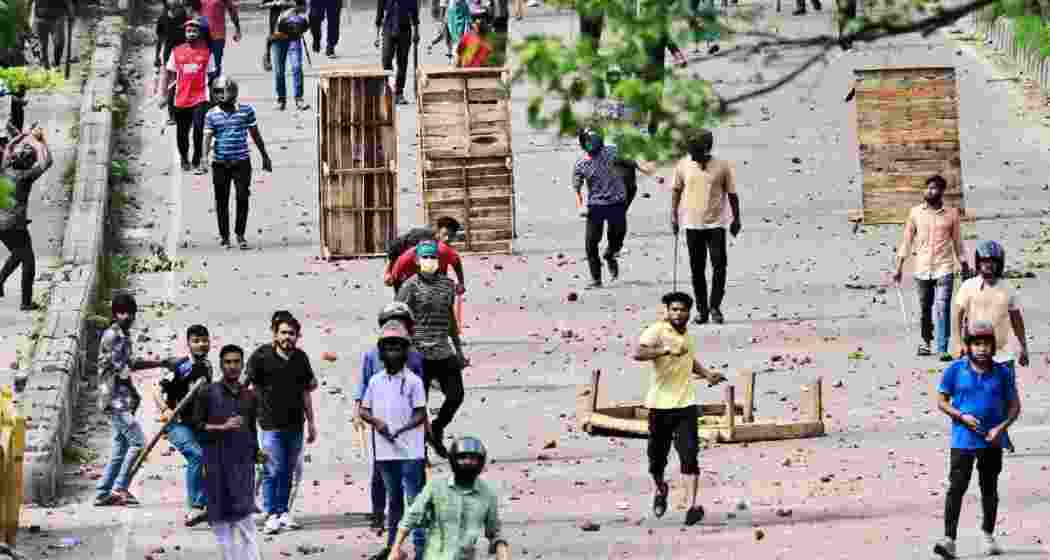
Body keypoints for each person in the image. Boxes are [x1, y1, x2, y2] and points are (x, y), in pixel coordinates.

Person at [633, 291, 726, 526]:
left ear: (689, 312)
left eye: (682, 310)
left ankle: (692, 505)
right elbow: (639, 352)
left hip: (686, 405)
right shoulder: (656, 330)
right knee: (656, 459)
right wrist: (665, 350)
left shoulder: (688, 335)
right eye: (674, 309)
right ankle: (661, 487)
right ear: (666, 310)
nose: (678, 313)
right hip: (659, 406)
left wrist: (707, 374)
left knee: (689, 455)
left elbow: (689, 360)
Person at [934, 321, 1020, 559]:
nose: (982, 348)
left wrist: (1000, 429)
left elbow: (1014, 406)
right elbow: (941, 401)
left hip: (991, 441)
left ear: (993, 346)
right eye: (977, 343)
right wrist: (961, 415)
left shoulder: (1002, 372)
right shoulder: (955, 370)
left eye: (986, 344)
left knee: (989, 488)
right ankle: (949, 539)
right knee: (956, 488)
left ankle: (988, 534)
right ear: (969, 346)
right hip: (962, 441)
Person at [360, 320, 428, 560]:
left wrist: (402, 428)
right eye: (388, 347)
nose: (393, 352)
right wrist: (377, 423)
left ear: (405, 350)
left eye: (397, 347)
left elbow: (421, 413)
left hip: (411, 452)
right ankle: (393, 549)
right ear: (381, 351)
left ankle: (422, 550)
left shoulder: (414, 382)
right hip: (386, 451)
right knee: (394, 501)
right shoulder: (375, 381)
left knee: (415, 502)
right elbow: (363, 410)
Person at [245, 313, 319, 535]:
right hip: (269, 425)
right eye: (284, 333)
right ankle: (271, 514)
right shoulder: (261, 357)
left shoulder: (301, 359)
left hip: (296, 424)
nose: (288, 337)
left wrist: (312, 422)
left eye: (292, 334)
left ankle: (283, 511)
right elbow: (247, 386)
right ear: (275, 334)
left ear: (298, 336)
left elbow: (307, 391)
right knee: (271, 470)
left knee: (287, 470)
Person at [397, 241, 467, 458]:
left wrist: (459, 350)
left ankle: (436, 428)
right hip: (418, 353)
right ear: (417, 261)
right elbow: (398, 317)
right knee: (420, 404)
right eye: (425, 257)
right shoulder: (409, 287)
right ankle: (421, 449)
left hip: (443, 350)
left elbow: (450, 319)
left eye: (433, 257)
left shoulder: (447, 285)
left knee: (456, 395)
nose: (430, 261)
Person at [95, 293, 166, 507]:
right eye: (122, 312)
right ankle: (120, 487)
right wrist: (133, 392)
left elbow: (131, 363)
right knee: (138, 442)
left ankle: (103, 492)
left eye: (130, 312)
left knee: (121, 446)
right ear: (115, 314)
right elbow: (122, 370)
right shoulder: (113, 336)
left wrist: (161, 363)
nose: (127, 316)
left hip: (121, 400)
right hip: (115, 401)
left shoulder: (123, 335)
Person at [193, 344, 262, 560]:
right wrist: (221, 428)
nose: (232, 366)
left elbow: (252, 429)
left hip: (242, 469)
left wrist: (258, 454)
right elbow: (196, 426)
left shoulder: (250, 396)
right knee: (222, 527)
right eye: (228, 362)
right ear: (221, 365)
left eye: (236, 362)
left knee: (246, 523)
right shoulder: (207, 393)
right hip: (216, 467)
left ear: (242, 365)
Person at [391, 436, 510, 560]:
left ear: (480, 462)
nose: (468, 462)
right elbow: (411, 517)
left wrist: (502, 550)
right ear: (454, 460)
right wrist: (395, 549)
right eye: (462, 458)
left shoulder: (487, 494)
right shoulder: (436, 486)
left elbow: (495, 531)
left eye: (473, 458)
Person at [671, 129, 741, 325]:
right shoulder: (683, 165)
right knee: (697, 269)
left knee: (719, 266)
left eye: (697, 151)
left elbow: (732, 195)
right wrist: (674, 216)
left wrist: (736, 219)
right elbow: (676, 191)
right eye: (692, 151)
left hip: (716, 224)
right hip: (692, 225)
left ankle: (715, 307)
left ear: (707, 149)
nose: (694, 155)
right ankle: (702, 311)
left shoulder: (721, 166)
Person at [894, 174, 969, 360]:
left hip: (944, 267)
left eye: (934, 188)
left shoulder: (952, 214)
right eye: (927, 187)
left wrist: (965, 263)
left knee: (943, 307)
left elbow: (958, 242)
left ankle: (943, 347)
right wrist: (899, 267)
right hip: (922, 268)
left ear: (942, 191)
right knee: (925, 308)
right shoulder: (915, 213)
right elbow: (906, 240)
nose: (929, 191)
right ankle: (926, 342)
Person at [153, 324, 214, 527]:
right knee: (196, 455)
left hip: (197, 424)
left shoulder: (207, 365)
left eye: (204, 340)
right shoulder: (181, 366)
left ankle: (207, 504)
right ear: (188, 343)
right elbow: (156, 391)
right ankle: (195, 507)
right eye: (196, 341)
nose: (201, 344)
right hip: (176, 424)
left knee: (211, 457)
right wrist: (165, 410)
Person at [203, 75, 272, 250]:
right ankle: (224, 236)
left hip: (241, 162)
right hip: (220, 163)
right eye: (216, 92)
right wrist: (204, 158)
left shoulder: (246, 111)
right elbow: (208, 137)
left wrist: (264, 155)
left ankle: (240, 234)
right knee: (221, 200)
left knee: (242, 196)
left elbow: (255, 134)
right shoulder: (211, 115)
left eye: (222, 91)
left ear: (232, 92)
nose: (219, 95)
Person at [952, 240, 1029, 371]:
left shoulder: (1008, 289)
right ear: (978, 263)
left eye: (993, 262)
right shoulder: (968, 286)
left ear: (999, 264)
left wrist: (1023, 347)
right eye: (985, 261)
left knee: (1006, 391)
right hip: (975, 353)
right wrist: (958, 343)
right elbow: (957, 315)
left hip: (1002, 354)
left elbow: (1017, 320)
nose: (989, 265)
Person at [573, 128, 634, 288]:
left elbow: (629, 159)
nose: (592, 148)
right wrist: (580, 203)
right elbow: (577, 187)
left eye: (595, 144)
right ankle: (596, 278)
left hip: (617, 203)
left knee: (617, 237)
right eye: (588, 144)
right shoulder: (581, 164)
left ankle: (610, 254)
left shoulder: (612, 152)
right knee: (591, 243)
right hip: (596, 206)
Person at [0, 127, 52, 311]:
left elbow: (8, 149)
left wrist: (21, 136)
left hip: (2, 225)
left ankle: (2, 281)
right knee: (28, 261)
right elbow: (47, 161)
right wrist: (40, 141)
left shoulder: (4, 168)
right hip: (15, 225)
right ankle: (26, 302)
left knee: (18, 254)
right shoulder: (25, 177)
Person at [158, 18, 216, 174]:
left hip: (200, 97)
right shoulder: (176, 52)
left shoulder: (207, 53)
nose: (191, 34)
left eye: (194, 31)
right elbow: (168, 74)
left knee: (198, 129)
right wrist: (163, 95)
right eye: (188, 31)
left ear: (200, 33)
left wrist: (215, 98)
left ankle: (197, 158)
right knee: (182, 133)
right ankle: (184, 157)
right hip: (181, 98)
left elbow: (211, 75)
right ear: (185, 33)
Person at [383, 218, 460, 295]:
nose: (447, 239)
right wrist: (388, 272)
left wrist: (458, 283)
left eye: (451, 236)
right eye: (445, 234)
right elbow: (394, 247)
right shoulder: (419, 236)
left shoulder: (445, 248)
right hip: (403, 272)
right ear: (438, 231)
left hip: (422, 275)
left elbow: (451, 263)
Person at [264, 0, 310, 111]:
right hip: (277, 36)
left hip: (294, 35)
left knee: (296, 67)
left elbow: (304, 7)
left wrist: (293, 6)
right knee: (279, 71)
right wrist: (276, 3)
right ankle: (281, 100)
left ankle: (299, 99)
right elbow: (263, 4)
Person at [377, 0, 420, 105]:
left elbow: (414, 13)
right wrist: (377, 36)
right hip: (388, 28)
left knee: (402, 62)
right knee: (386, 59)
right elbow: (379, 12)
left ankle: (399, 93)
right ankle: (390, 89)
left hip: (405, 30)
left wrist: (416, 32)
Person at [155, 1, 190, 125]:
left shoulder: (185, 17)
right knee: (172, 87)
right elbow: (160, 40)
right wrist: (157, 58)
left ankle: (183, 112)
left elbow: (192, 35)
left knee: (182, 84)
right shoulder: (163, 19)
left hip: (184, 55)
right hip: (170, 56)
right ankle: (173, 115)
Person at [199, 0, 242, 80]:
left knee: (216, 65)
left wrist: (237, 28)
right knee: (201, 65)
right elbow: (190, 9)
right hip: (201, 35)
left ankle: (214, 88)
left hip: (218, 35)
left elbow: (232, 10)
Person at [34, 0, 74, 70]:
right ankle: (45, 66)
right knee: (42, 45)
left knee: (59, 42)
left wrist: (70, 13)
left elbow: (68, 1)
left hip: (57, 17)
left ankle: (56, 64)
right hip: (40, 17)